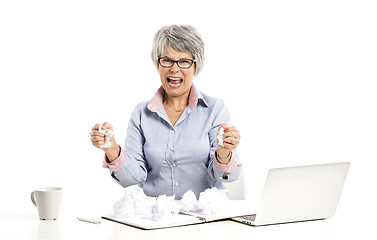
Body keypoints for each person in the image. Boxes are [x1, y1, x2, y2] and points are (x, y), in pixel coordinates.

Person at [90, 25, 241, 199]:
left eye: (184, 61)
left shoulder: (215, 109)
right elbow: (132, 179)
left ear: (195, 66)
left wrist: (223, 153)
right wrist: (111, 149)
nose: (174, 69)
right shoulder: (141, 114)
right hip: (157, 218)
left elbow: (226, 176)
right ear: (158, 63)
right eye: (167, 60)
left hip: (203, 216)